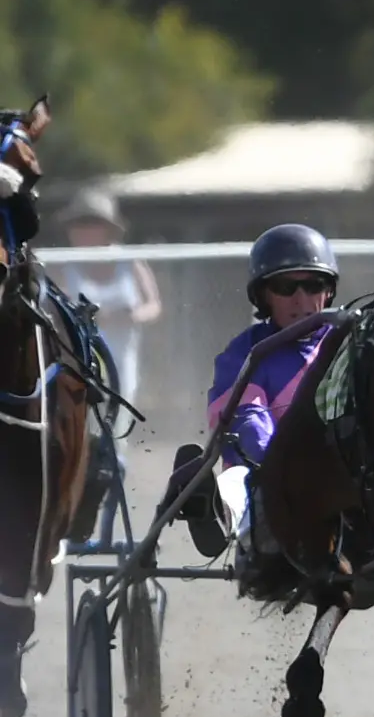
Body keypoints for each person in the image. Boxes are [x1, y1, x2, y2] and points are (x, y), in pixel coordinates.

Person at [175, 225, 340, 558]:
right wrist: (281, 462)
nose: (301, 299)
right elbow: (246, 417)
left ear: (328, 291)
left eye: (313, 285)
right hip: (266, 473)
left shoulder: (348, 342)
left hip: (339, 470)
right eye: (285, 286)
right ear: (264, 295)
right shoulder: (245, 352)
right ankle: (223, 514)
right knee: (241, 477)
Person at [54, 188, 158, 405]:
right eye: (78, 223)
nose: (81, 230)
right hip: (81, 361)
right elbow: (57, 311)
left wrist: (130, 316)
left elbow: (154, 305)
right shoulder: (63, 267)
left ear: (108, 228)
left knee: (121, 415)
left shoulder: (130, 261)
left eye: (90, 223)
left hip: (124, 359)